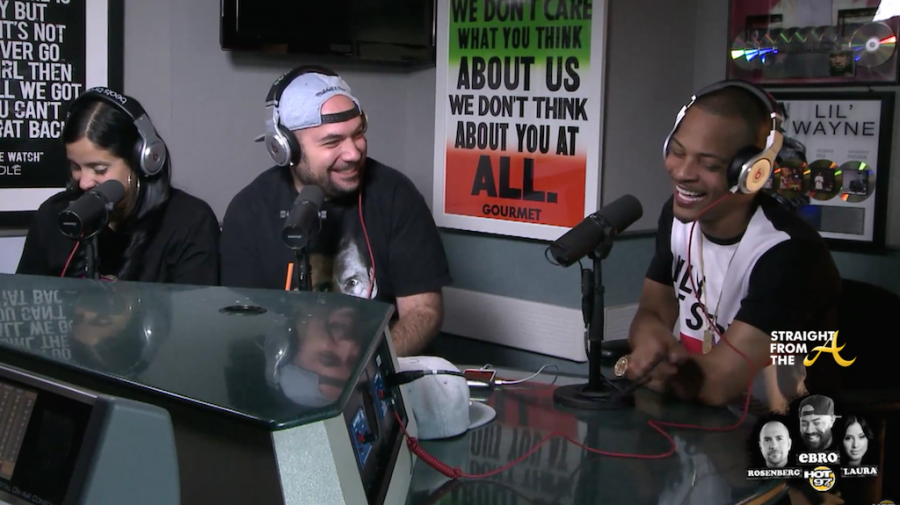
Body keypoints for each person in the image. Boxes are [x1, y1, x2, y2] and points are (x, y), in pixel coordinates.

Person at [621, 80, 841, 411]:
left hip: (777, 426)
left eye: (708, 165)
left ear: (752, 173)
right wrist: (651, 337)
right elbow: (652, 310)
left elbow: (716, 385)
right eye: (677, 152)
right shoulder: (678, 218)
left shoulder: (790, 254)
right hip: (696, 419)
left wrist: (640, 368)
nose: (682, 173)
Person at [219, 66, 451, 357]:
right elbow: (244, 328)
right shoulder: (249, 211)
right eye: (332, 141)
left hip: (378, 370)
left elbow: (422, 312)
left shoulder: (396, 196)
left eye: (358, 134)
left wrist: (368, 366)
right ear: (284, 148)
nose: (354, 153)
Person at [16, 88, 220, 285]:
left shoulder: (190, 222)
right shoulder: (53, 215)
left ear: (141, 162)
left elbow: (195, 308)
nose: (84, 182)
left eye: (99, 169)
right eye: (75, 167)